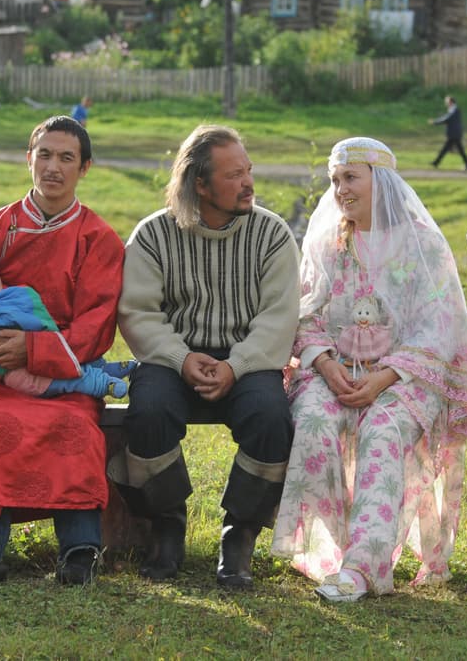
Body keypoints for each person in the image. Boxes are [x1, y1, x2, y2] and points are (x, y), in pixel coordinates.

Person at [272, 138, 467, 603]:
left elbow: (438, 326)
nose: (340, 189)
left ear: (379, 181)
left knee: (384, 432)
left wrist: (384, 377)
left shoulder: (421, 245)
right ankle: (334, 553)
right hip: (332, 372)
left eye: (351, 178)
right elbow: (304, 315)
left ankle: (363, 568)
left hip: (404, 377)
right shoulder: (327, 242)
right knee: (313, 421)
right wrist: (325, 365)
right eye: (335, 180)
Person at [0, 115, 124, 586]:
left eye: (66, 158)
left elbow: (95, 329)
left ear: (85, 168)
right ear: (28, 159)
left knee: (74, 426)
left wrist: (33, 351)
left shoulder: (99, 239)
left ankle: (80, 550)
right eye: (45, 154)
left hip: (69, 375)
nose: (53, 167)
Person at [110, 124, 301, 590]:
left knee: (272, 416)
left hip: (249, 358)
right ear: (199, 183)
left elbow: (279, 318)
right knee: (148, 411)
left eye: (248, 170)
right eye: (234, 175)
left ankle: (240, 535)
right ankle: (167, 524)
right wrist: (180, 357)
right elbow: (138, 312)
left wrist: (236, 365)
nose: (249, 183)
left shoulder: (272, 234)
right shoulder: (154, 235)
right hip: (174, 357)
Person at [429, 95, 467, 170]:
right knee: (450, 149)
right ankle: (436, 162)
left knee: (450, 149)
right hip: (454, 134)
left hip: (454, 134)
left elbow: (447, 118)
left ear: (451, 102)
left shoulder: (454, 110)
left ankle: (436, 162)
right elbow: (446, 117)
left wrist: (435, 122)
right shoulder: (453, 109)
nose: (446, 103)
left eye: (447, 101)